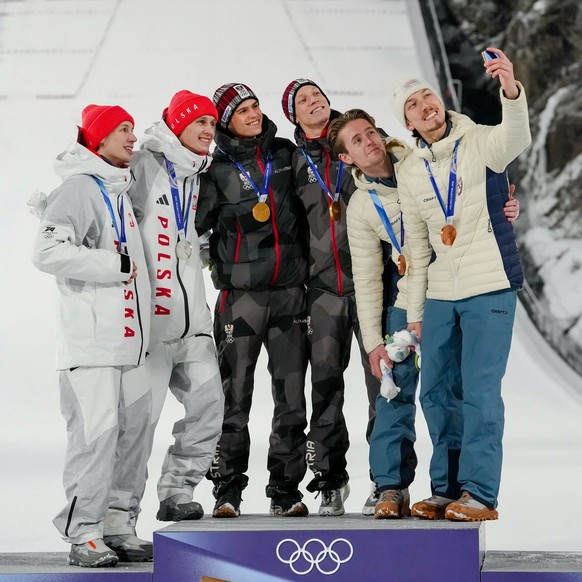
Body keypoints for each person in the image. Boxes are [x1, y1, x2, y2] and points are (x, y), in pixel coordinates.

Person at [328, 108, 520, 519]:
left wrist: (501, 205)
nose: (370, 142)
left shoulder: (423, 161)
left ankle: (451, 488)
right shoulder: (362, 206)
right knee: (394, 391)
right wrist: (373, 342)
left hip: (453, 291)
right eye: (357, 141)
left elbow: (474, 189)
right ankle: (390, 487)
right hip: (406, 302)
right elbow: (366, 278)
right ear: (347, 159)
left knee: (446, 394)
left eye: (371, 132)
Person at [390, 48, 531, 521]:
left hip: (489, 286)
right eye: (412, 105)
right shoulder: (410, 170)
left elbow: (515, 136)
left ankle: (479, 493)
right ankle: (446, 489)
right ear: (408, 124)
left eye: (427, 96)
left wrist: (509, 88)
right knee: (435, 391)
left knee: (480, 391)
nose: (423, 105)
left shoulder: (479, 140)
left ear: (442, 102)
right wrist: (414, 313)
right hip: (439, 296)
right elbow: (417, 248)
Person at [31, 105, 153, 566]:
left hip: (129, 343)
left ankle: (117, 526)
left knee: (132, 436)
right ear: (97, 141)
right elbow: (45, 250)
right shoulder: (80, 188)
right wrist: (114, 266)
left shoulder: (117, 189)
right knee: (96, 439)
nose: (132, 136)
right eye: (123, 129)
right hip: (92, 345)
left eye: (132, 128)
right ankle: (83, 533)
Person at [195, 83, 309, 518]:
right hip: (240, 298)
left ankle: (285, 489)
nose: (254, 114)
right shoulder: (214, 170)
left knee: (291, 396)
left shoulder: (284, 154)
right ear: (226, 120)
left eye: (256, 106)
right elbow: (192, 224)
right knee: (233, 396)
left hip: (288, 296)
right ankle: (226, 489)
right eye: (243, 110)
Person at [281, 79, 393, 516]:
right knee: (325, 386)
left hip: (375, 285)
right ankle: (330, 480)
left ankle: (386, 482)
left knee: (382, 387)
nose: (315, 102)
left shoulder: (356, 141)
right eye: (303, 100)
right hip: (324, 291)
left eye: (318, 94)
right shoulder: (292, 161)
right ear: (294, 114)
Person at [129, 91, 224, 522]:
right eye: (200, 123)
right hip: (151, 328)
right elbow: (106, 209)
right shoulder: (146, 164)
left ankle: (177, 492)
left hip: (193, 323)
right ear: (178, 127)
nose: (209, 131)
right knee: (136, 428)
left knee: (209, 409)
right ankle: (117, 516)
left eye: (213, 124)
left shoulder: (198, 173)